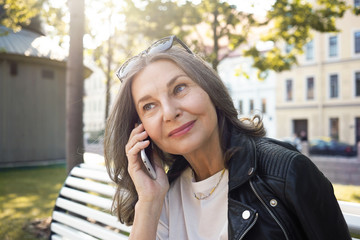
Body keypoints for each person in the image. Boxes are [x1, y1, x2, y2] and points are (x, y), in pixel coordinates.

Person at [104, 35, 350, 240]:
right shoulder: (162, 197)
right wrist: (148, 201)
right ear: (140, 129)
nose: (170, 112)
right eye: (149, 106)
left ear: (210, 89)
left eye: (179, 88)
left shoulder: (287, 173)